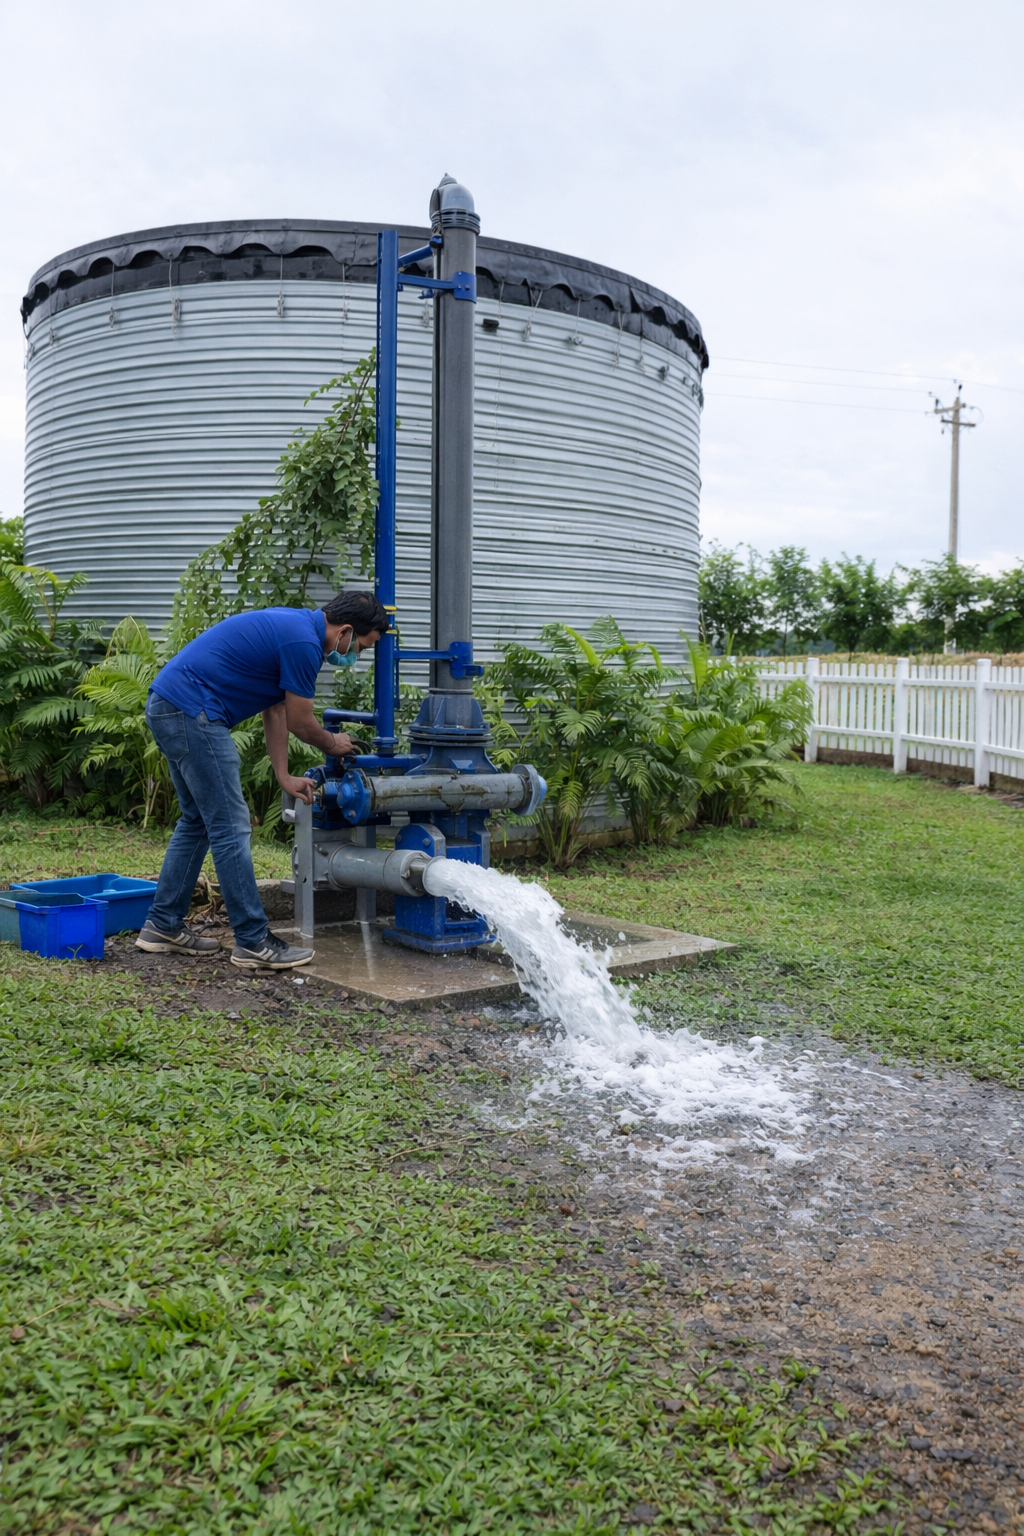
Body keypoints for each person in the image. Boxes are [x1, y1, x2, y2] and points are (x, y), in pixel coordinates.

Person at [137, 590, 387, 969]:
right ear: (346, 631)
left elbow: (277, 711)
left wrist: (283, 775)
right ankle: (253, 941)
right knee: (231, 826)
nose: (356, 654)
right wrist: (332, 742)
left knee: (198, 820)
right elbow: (302, 723)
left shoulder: (298, 628)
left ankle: (162, 924)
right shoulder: (304, 643)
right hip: (194, 712)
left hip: (170, 705)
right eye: (362, 646)